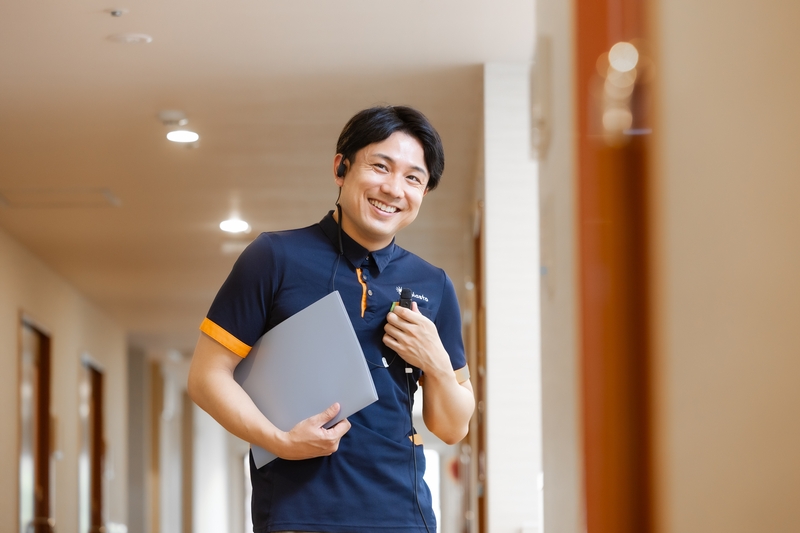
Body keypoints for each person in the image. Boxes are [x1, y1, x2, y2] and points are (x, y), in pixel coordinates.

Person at [188, 105, 475, 533]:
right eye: (381, 166)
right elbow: (206, 377)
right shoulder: (274, 257)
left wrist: (435, 362)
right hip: (296, 513)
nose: (394, 188)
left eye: (414, 178)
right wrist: (278, 441)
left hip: (402, 515)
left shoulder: (433, 284)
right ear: (341, 168)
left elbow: (452, 428)